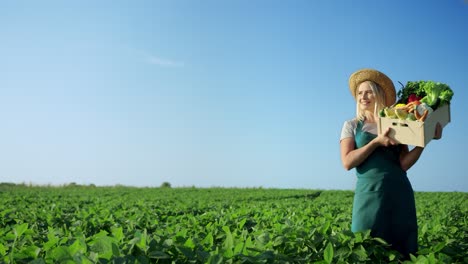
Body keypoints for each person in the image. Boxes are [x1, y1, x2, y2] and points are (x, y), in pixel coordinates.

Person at [339, 68, 442, 258]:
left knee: (401, 250)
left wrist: (424, 142)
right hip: (368, 193)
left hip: (399, 193)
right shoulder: (352, 125)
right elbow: (347, 161)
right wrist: (377, 142)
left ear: (378, 94)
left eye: (368, 91)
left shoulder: (395, 122)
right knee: (365, 246)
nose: (363, 97)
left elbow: (403, 163)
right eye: (360, 93)